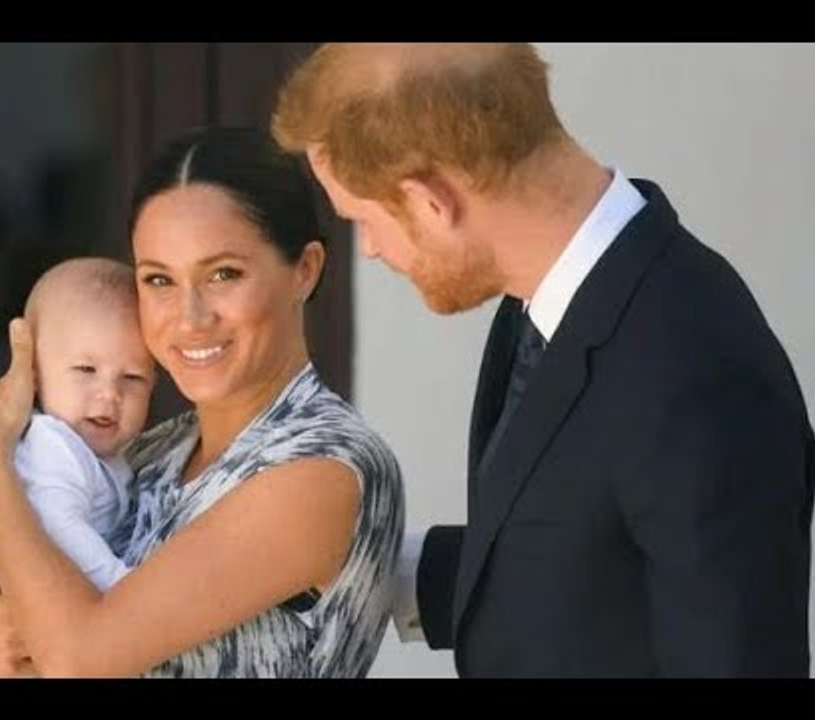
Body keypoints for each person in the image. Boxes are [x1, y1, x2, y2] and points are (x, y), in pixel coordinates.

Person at [271, 43, 815, 677]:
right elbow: (582, 563)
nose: (368, 250)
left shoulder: (697, 371)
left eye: (362, 219)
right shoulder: (552, 296)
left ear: (429, 201)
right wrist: (367, 564)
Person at [0, 126, 404, 678]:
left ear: (305, 271)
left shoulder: (321, 466)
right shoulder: (146, 451)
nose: (190, 318)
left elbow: (76, 657)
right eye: (159, 280)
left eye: (224, 274)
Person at [0, 257, 156, 628]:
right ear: (33, 372)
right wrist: (123, 590)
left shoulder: (111, 456)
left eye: (132, 378)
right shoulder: (51, 446)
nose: (109, 394)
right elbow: (60, 528)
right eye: (86, 370)